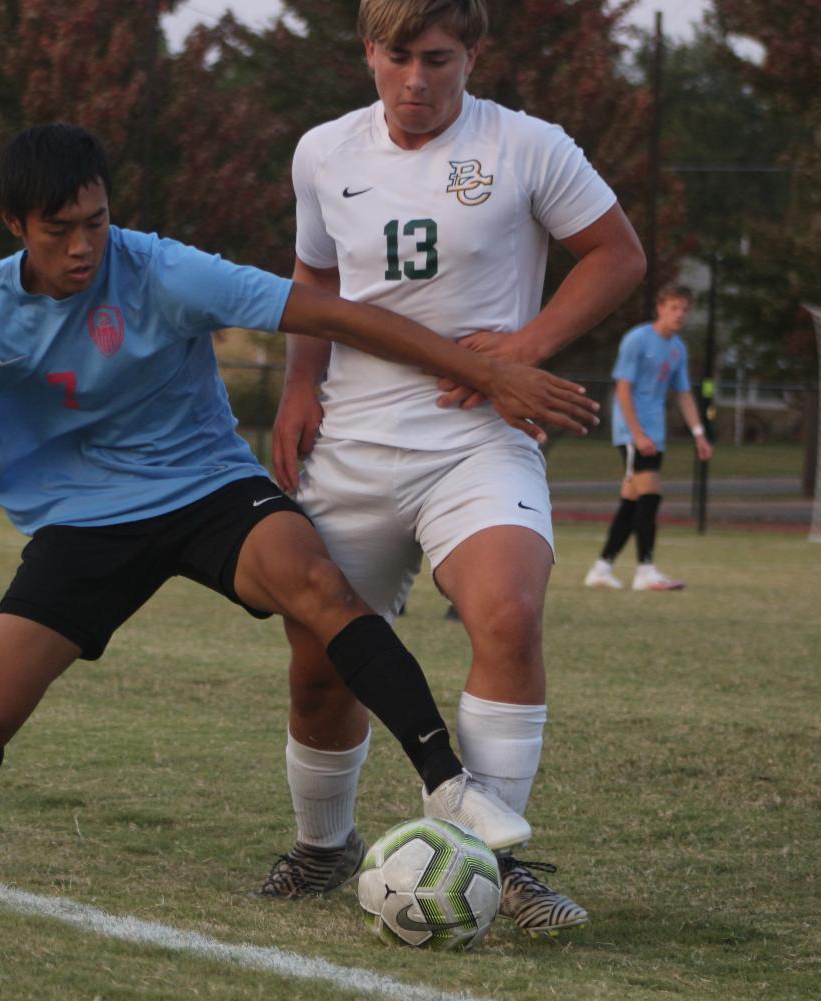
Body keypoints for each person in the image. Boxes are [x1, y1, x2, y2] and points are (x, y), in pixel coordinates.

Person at [0, 124, 601, 880]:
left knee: (322, 590)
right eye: (59, 228)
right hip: (80, 522)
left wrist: (484, 368)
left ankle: (446, 784)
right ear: (13, 223)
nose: (84, 244)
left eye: (95, 220)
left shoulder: (162, 269)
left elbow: (336, 314)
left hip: (205, 487)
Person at [259, 0, 645, 938]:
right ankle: (323, 847)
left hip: (474, 436)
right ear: (367, 52)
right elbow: (313, 280)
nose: (416, 81)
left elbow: (616, 254)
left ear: (473, 52)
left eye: (438, 59)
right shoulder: (322, 152)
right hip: (348, 439)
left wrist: (522, 349)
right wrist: (298, 386)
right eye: (397, 58)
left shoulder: (527, 146)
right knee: (319, 666)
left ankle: (496, 866)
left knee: (507, 611)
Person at [584, 286, 713, 591]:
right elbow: (623, 390)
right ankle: (646, 570)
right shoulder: (637, 340)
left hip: (655, 434)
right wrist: (637, 434)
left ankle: (602, 568)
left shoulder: (678, 349)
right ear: (660, 307)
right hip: (634, 434)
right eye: (674, 308)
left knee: (632, 504)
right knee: (651, 494)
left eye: (685, 309)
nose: (679, 314)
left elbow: (682, 393)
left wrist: (699, 434)